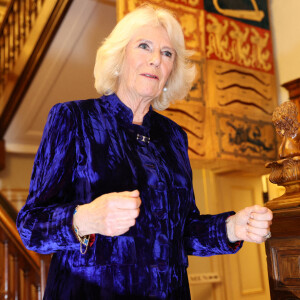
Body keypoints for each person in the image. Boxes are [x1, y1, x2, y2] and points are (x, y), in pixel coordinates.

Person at [17, 5, 273, 300]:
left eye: (167, 54)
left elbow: (182, 232)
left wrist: (231, 227)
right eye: (144, 46)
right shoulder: (74, 119)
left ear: (171, 71)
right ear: (119, 57)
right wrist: (85, 218)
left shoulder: (174, 136)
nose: (155, 60)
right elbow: (30, 227)